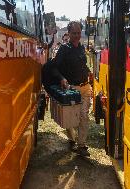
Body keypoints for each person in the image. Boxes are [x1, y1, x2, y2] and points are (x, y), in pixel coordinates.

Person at [52, 21, 92, 156]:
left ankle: (81, 145)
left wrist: (88, 71)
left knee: (84, 116)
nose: (76, 35)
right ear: (68, 34)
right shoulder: (64, 49)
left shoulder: (81, 48)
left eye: (79, 33)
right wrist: (62, 79)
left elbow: (82, 64)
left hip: (85, 88)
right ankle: (71, 139)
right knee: (70, 117)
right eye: (74, 33)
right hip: (71, 89)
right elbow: (55, 68)